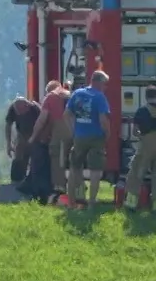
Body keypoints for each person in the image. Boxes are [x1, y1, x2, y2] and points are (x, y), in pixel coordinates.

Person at [64, 71, 112, 208]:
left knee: (74, 169)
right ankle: (91, 203)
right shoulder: (99, 97)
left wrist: (73, 130)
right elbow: (103, 119)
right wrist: (107, 133)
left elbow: (66, 115)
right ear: (99, 82)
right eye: (104, 84)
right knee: (95, 171)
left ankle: (71, 203)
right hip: (96, 137)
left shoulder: (77, 94)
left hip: (79, 136)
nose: (105, 87)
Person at [127, 87, 156, 212]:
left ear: (146, 96)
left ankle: (131, 203)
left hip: (147, 142)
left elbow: (135, 131)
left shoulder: (142, 111)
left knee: (137, 172)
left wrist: (143, 136)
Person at [31, 80, 74, 202]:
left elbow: (42, 120)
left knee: (58, 160)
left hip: (61, 134)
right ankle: (77, 190)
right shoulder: (71, 95)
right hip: (77, 133)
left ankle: (59, 192)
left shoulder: (51, 97)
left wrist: (33, 137)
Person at [3, 95, 41, 186]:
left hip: (35, 133)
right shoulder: (13, 108)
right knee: (19, 156)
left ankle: (34, 181)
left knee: (36, 157)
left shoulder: (35, 109)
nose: (19, 114)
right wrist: (8, 143)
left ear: (27, 106)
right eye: (17, 112)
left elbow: (42, 123)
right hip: (21, 134)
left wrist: (35, 138)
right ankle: (16, 181)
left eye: (21, 111)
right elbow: (8, 125)